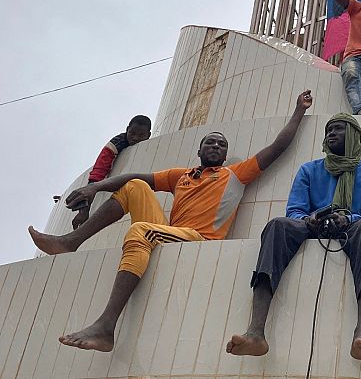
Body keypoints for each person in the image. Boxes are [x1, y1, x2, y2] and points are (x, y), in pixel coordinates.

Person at [28, 90, 314, 352]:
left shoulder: (234, 175)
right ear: (199, 151)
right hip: (170, 232)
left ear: (226, 155)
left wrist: (299, 111)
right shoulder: (182, 175)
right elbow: (134, 177)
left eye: (221, 144)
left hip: (200, 238)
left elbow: (278, 146)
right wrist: (95, 187)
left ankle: (105, 327)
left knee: (141, 231)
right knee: (135, 187)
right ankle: (69, 242)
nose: (215, 146)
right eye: (210, 142)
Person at [226, 113, 361, 361]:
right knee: (277, 225)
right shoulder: (309, 170)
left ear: (354, 135)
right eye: (328, 130)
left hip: (351, 227)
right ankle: (256, 332)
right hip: (313, 226)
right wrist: (309, 219)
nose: (331, 133)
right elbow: (294, 210)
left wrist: (348, 219)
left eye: (338, 129)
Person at [71, 115, 152, 228]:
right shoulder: (116, 143)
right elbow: (98, 171)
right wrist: (83, 211)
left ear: (149, 135)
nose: (135, 138)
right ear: (127, 129)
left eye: (141, 135)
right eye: (132, 133)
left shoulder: (152, 148)